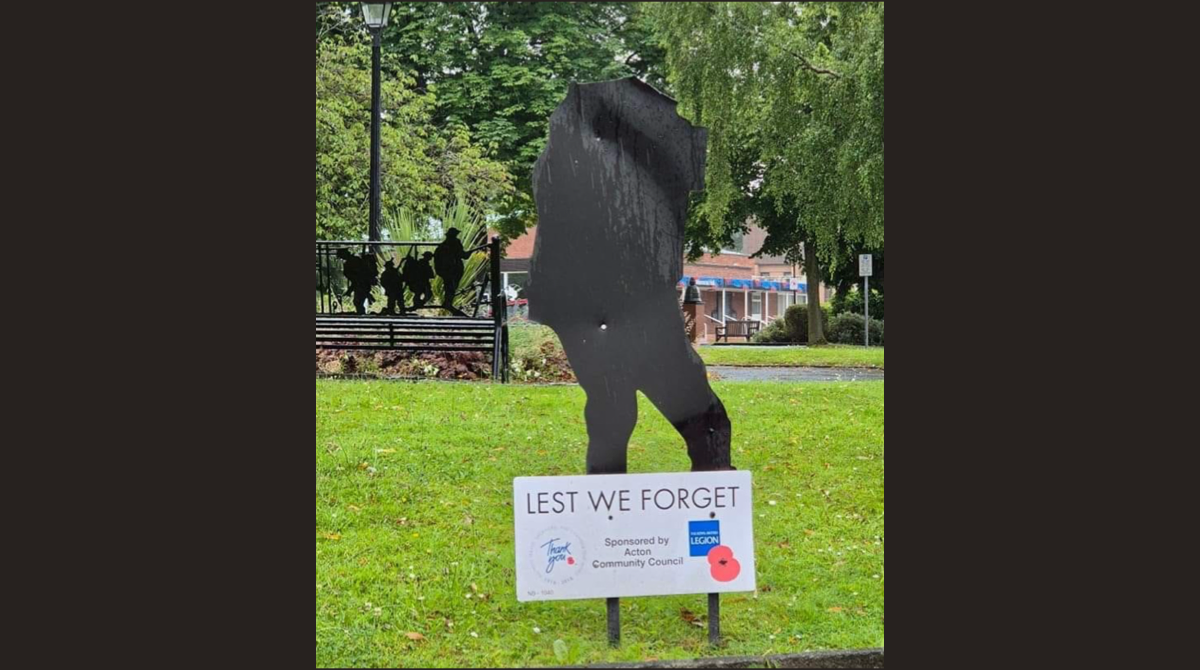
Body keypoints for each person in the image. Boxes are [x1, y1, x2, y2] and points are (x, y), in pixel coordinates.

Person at [527, 78, 731, 476]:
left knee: (619, 411)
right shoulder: (587, 164)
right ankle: (695, 500)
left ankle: (703, 501)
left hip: (601, 300)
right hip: (614, 300)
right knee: (631, 411)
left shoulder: (570, 161)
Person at [433, 228, 472, 311]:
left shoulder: (442, 246)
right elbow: (463, 255)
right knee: (452, 286)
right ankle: (448, 302)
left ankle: (447, 302)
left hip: (445, 270)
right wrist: (469, 253)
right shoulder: (456, 243)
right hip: (454, 270)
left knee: (448, 286)